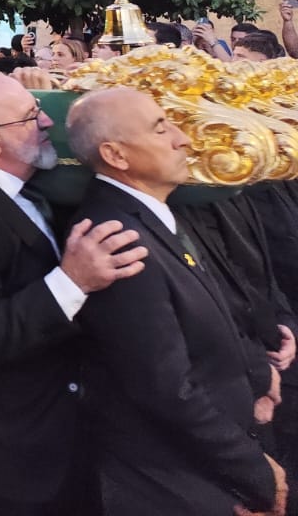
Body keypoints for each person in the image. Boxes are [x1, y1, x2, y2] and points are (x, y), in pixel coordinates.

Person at [0, 71, 147, 516]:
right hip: (7, 462)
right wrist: (72, 281)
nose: (47, 122)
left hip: (59, 441)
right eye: (31, 115)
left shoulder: (26, 192)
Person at [67, 87, 285, 516]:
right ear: (116, 155)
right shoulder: (118, 240)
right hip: (178, 484)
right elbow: (165, 388)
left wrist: (257, 374)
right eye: (160, 128)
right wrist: (254, 472)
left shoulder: (152, 217)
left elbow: (207, 328)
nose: (182, 138)